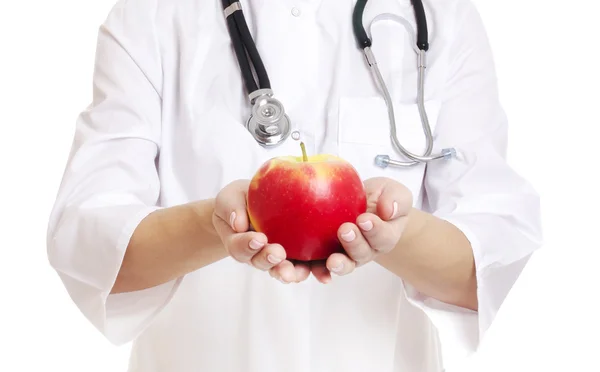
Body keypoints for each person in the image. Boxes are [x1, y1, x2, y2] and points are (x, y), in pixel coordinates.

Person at [46, 0, 542, 371]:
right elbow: (90, 242)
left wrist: (394, 233)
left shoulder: (438, 17)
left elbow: (484, 270)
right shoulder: (153, 15)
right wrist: (214, 225)